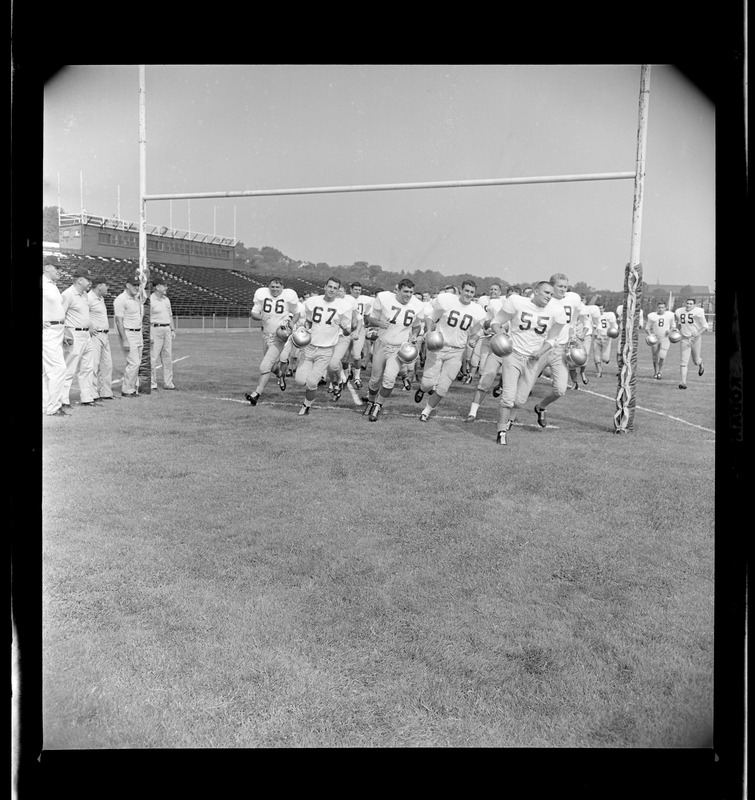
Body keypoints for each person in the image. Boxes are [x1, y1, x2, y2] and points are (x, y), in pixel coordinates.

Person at [489, 281, 567, 445]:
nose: (549, 297)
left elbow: (553, 339)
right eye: (546, 292)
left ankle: (509, 420)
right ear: (536, 291)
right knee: (508, 397)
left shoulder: (556, 311)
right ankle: (501, 432)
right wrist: (501, 334)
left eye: (551, 294)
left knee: (519, 401)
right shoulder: (517, 302)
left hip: (533, 359)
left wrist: (540, 351)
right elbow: (496, 322)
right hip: (513, 353)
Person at [415, 280, 487, 422]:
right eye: (466, 290)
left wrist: (473, 339)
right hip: (439, 346)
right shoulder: (447, 301)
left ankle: (426, 411)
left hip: (457, 351)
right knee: (428, 383)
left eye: (472, 292)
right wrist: (429, 331)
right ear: (461, 290)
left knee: (443, 387)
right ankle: (422, 389)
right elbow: (431, 318)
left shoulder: (477, 311)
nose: (469, 294)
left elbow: (476, 332)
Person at [360, 279, 425, 421]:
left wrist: (414, 335)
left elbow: (416, 325)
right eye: (406, 291)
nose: (408, 295)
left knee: (389, 379)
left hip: (398, 348)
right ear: (398, 290)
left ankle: (378, 405)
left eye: (411, 292)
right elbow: (370, 320)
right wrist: (379, 323)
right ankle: (371, 401)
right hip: (381, 344)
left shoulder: (417, 305)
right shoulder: (384, 299)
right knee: (375, 379)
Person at [527, 273, 588, 423]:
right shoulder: (545, 300)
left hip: (560, 349)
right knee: (526, 384)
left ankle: (540, 407)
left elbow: (577, 312)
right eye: (560, 286)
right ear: (551, 286)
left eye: (565, 286)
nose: (563, 290)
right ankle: (509, 418)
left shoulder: (573, 298)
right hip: (543, 348)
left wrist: (573, 327)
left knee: (560, 389)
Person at [294, 277, 352, 416]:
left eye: (335, 288)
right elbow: (308, 321)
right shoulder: (313, 302)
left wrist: (344, 327)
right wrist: (303, 328)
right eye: (330, 286)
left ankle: (306, 406)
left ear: (338, 291)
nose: (332, 290)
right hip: (309, 347)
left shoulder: (343, 306)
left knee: (312, 382)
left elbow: (347, 331)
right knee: (300, 380)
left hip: (326, 350)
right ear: (325, 287)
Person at [245, 277, 299, 406]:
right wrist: (261, 316)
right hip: (265, 335)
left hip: (279, 337)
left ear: (282, 288)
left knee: (264, 366)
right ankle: (281, 374)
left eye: (277, 287)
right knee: (272, 366)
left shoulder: (288, 298)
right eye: (272, 287)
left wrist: (291, 323)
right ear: (269, 287)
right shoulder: (262, 296)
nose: (275, 289)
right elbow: (253, 313)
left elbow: (297, 313)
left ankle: (256, 394)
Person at [60, 268, 97, 408]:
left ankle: (87, 398)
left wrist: (89, 325)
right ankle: (63, 400)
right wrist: (64, 333)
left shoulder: (84, 295)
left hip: (86, 334)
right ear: (80, 280)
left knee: (88, 367)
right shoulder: (67, 294)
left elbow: (84, 314)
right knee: (69, 368)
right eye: (88, 279)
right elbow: (60, 315)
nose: (90, 282)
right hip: (73, 335)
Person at [42, 259, 70, 416]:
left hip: (57, 330)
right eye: (57, 267)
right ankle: (54, 407)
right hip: (49, 331)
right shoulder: (44, 283)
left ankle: (47, 405)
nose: (60, 270)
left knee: (47, 371)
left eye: (60, 268)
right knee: (59, 369)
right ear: (47, 267)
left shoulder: (52, 285)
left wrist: (64, 331)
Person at [114, 273, 148, 397]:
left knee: (136, 361)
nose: (136, 287)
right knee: (134, 362)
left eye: (138, 285)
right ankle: (127, 390)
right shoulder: (121, 299)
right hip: (128, 333)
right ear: (127, 285)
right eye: (134, 285)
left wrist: (144, 279)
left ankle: (132, 388)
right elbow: (119, 321)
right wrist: (124, 340)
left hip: (138, 333)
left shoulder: (136, 298)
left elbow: (144, 295)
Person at [326, 285, 360, 401]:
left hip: (343, 337)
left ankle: (339, 380)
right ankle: (337, 381)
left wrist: (354, 330)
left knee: (335, 362)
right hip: (329, 336)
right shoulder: (327, 303)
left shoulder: (349, 304)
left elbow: (357, 320)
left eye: (340, 291)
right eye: (337, 290)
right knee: (330, 364)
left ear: (344, 293)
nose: (338, 293)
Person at [87, 276, 114, 401]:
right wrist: (89, 326)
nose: (107, 288)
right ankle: (93, 394)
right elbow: (81, 313)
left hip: (105, 335)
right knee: (94, 365)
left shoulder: (101, 298)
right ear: (99, 286)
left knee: (107, 365)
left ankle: (106, 393)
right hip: (95, 336)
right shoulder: (88, 297)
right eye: (106, 285)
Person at [674, 298, 709, 388]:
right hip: (684, 338)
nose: (688, 305)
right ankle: (683, 383)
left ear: (694, 305)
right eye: (687, 303)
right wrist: (676, 330)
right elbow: (679, 324)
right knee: (683, 362)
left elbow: (705, 326)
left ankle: (701, 365)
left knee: (696, 361)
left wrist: (697, 333)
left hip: (695, 339)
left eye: (690, 304)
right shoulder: (679, 311)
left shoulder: (698, 312)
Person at [149, 279, 177, 390]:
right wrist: (149, 333)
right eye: (164, 286)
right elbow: (146, 319)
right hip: (155, 329)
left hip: (166, 329)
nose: (166, 288)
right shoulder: (150, 300)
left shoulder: (166, 300)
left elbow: (170, 316)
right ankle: (152, 383)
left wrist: (172, 329)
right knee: (153, 358)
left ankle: (168, 382)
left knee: (168, 357)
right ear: (157, 287)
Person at [347, 282, 374, 388]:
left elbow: (367, 316)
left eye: (359, 289)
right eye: (355, 289)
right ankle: (346, 373)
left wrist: (368, 326)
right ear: (351, 289)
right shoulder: (346, 299)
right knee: (345, 356)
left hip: (360, 328)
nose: (357, 291)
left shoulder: (366, 300)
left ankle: (357, 377)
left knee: (357, 356)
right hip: (347, 328)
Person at [645, 301, 677, 379]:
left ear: (665, 308)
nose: (661, 309)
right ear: (657, 308)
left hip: (665, 338)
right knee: (655, 356)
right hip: (655, 339)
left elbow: (673, 326)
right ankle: (655, 372)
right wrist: (650, 335)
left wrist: (669, 331)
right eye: (659, 307)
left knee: (662, 355)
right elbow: (647, 328)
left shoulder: (670, 315)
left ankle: (660, 372)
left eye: (662, 307)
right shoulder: (652, 316)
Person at [592, 303, 618, 378]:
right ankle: (599, 372)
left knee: (605, 358)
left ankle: (606, 360)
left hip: (606, 337)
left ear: (604, 309)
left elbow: (614, 325)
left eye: (601, 308)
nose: (599, 310)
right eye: (598, 309)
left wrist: (613, 332)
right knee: (596, 356)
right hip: (597, 337)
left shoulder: (609, 315)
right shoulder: (593, 316)